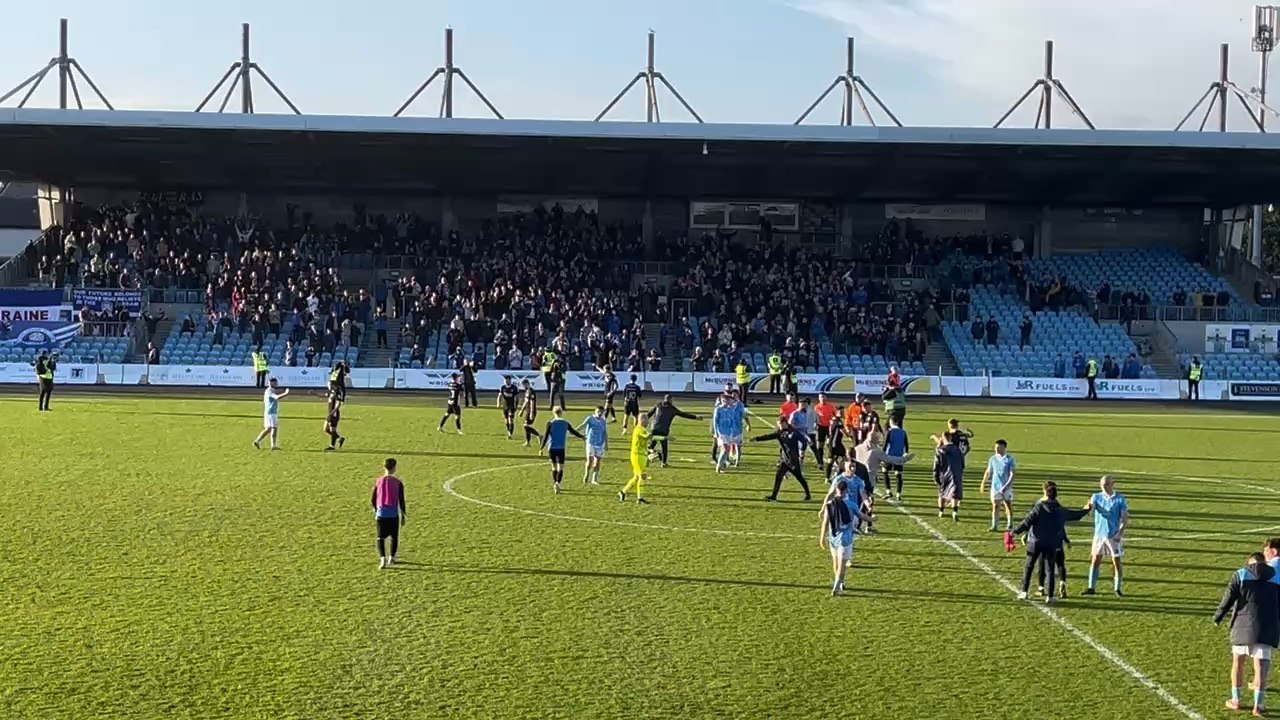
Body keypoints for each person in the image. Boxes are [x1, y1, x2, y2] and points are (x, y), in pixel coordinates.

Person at [1213, 552, 1278, 715]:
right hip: (1266, 628)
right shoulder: (1276, 577)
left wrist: (1218, 616)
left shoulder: (1241, 574)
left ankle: (1236, 699)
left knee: (1238, 663)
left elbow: (1228, 598)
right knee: (1260, 668)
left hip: (1241, 626)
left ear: (1250, 562)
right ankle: (1258, 705)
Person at [1008, 481, 1090, 604]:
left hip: (1035, 542)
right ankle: (1050, 596)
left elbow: (1027, 522)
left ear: (1046, 493)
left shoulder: (1039, 507)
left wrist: (1014, 533)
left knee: (1029, 567)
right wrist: (1086, 509)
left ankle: (1024, 592)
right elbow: (1076, 515)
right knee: (1050, 569)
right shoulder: (1061, 510)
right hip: (1051, 543)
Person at [819, 479, 873, 596]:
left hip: (833, 538)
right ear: (846, 491)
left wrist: (822, 538)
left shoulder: (830, 505)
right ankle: (837, 585)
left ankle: (839, 582)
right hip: (846, 539)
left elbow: (825, 522)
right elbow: (862, 516)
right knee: (842, 564)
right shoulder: (851, 504)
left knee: (835, 562)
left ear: (836, 490)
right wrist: (872, 519)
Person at [1083, 474, 1129, 596]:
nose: (1103, 487)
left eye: (1105, 484)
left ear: (1111, 484)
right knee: (1095, 560)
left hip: (1113, 536)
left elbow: (1125, 519)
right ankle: (1091, 587)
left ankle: (1117, 588)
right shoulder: (1096, 497)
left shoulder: (1120, 499)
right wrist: (1087, 508)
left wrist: (1120, 533)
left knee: (1116, 561)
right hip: (1099, 535)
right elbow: (1089, 511)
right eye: (1101, 484)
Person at [752, 417, 812, 503]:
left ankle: (808, 494)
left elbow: (803, 440)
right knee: (778, 476)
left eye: (781, 424)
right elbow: (769, 436)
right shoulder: (779, 433)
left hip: (793, 460)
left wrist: (802, 450)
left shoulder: (793, 432)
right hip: (784, 460)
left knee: (799, 477)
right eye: (778, 424)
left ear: (785, 423)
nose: (779, 426)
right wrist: (757, 439)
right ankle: (773, 496)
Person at [645, 394, 700, 467]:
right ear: (670, 400)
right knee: (664, 446)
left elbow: (649, 414)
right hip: (663, 430)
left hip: (654, 428)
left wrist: (643, 421)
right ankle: (663, 462)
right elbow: (683, 414)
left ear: (664, 399)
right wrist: (695, 417)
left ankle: (648, 457)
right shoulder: (672, 409)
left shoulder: (658, 405)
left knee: (652, 445)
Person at [539, 407, 585, 494]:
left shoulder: (550, 423)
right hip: (561, 448)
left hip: (552, 448)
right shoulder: (565, 423)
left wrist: (541, 448)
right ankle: (558, 483)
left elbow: (545, 436)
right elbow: (573, 431)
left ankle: (555, 483)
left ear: (553, 413)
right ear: (561, 413)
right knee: (561, 467)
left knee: (554, 467)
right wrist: (582, 436)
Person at [371, 458, 406, 569]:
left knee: (380, 537)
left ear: (384, 467)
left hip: (381, 513)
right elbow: (401, 500)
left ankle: (382, 559)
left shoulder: (378, 481)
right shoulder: (398, 482)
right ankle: (392, 557)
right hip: (393, 514)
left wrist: (376, 510)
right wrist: (403, 515)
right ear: (394, 468)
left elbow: (373, 499)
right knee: (394, 537)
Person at [979, 439, 1017, 532]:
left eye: (998, 447)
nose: (996, 449)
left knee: (1007, 504)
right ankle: (994, 525)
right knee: (995, 506)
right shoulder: (993, 459)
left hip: (1006, 486)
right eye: (995, 447)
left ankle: (1010, 523)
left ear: (1003, 447)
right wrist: (983, 482)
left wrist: (1007, 485)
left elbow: (1012, 474)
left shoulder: (1009, 459)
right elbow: (988, 471)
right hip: (995, 486)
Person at [619, 415, 654, 505]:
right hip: (637, 456)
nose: (648, 422)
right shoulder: (639, 429)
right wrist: (662, 436)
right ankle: (640, 497)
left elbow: (644, 442)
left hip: (641, 456)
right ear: (641, 420)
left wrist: (649, 451)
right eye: (646, 420)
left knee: (636, 477)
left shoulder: (642, 429)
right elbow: (648, 436)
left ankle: (623, 492)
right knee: (643, 476)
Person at [932, 432, 965, 521]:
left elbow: (936, 464)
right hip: (956, 473)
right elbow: (962, 463)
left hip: (944, 474)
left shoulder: (940, 450)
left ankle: (941, 511)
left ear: (943, 438)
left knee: (942, 493)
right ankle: (954, 512)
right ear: (950, 438)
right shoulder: (957, 450)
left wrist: (935, 475)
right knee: (955, 493)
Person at [253, 377, 289, 450]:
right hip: (271, 412)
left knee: (268, 429)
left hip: (268, 412)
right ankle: (273, 445)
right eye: (275, 383)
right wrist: (286, 393)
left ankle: (257, 441)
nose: (276, 384)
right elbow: (277, 397)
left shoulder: (269, 391)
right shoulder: (269, 391)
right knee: (274, 428)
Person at [578, 406, 609, 486]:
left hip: (599, 443)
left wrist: (606, 444)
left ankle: (594, 479)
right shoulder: (590, 418)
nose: (600, 413)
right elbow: (583, 425)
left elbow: (605, 432)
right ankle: (587, 473)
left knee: (597, 462)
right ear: (595, 411)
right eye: (598, 411)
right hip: (590, 442)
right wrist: (575, 431)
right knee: (590, 461)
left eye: (601, 412)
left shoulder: (603, 421)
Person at [882, 419, 909, 501]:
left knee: (884, 471)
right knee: (898, 474)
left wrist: (882, 455)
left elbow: (885, 444)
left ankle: (888, 491)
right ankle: (898, 494)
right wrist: (905, 453)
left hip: (889, 456)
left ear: (891, 422)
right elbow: (906, 445)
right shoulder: (903, 432)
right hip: (899, 456)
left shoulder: (889, 432)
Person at [813, 393, 837, 470]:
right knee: (820, 445)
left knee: (830, 444)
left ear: (826, 397)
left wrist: (833, 421)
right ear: (819, 398)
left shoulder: (831, 406)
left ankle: (832, 460)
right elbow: (815, 417)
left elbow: (836, 415)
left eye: (823, 397)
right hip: (821, 427)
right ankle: (820, 462)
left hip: (829, 427)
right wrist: (816, 423)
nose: (822, 398)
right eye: (821, 397)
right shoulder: (816, 407)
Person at [519, 379, 541, 446]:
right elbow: (526, 401)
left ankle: (539, 435)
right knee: (527, 426)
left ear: (527, 384)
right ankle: (528, 442)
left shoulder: (532, 392)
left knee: (526, 426)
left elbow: (532, 402)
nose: (523, 387)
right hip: (527, 411)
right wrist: (522, 410)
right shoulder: (527, 391)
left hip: (531, 411)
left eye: (523, 385)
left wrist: (531, 413)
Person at [497, 375, 520, 440]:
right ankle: (508, 431)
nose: (507, 381)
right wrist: (498, 403)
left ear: (510, 380)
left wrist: (516, 405)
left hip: (511, 406)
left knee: (510, 420)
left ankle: (510, 434)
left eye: (508, 380)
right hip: (505, 407)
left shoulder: (514, 388)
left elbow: (517, 397)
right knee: (506, 421)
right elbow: (499, 396)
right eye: (506, 380)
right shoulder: (503, 387)